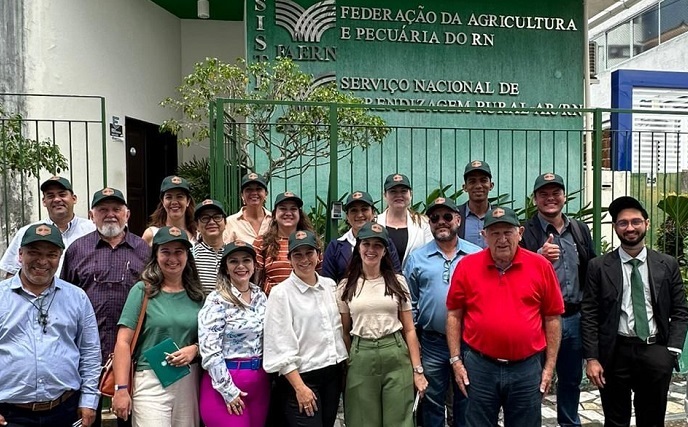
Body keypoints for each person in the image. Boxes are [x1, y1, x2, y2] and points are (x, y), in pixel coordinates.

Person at [446, 207, 564, 427]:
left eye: (507, 232)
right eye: (494, 233)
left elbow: (553, 318)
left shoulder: (541, 267)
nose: (501, 239)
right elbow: (454, 315)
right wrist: (456, 362)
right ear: (484, 236)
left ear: (520, 233)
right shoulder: (466, 267)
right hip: (480, 368)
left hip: (526, 369)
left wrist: (549, 367)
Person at [581, 196, 688, 427]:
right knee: (615, 419)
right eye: (623, 223)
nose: (630, 227)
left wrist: (672, 351)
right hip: (614, 352)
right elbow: (589, 313)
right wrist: (592, 358)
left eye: (636, 221)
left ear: (646, 224)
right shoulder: (598, 267)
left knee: (652, 419)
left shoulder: (667, 264)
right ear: (615, 227)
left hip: (655, 350)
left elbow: (680, 309)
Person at [60, 187, 150, 427]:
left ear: (127, 214)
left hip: (133, 350)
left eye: (116, 209)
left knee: (129, 417)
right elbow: (64, 298)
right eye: (103, 209)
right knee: (86, 417)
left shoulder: (143, 249)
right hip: (87, 350)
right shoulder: (77, 250)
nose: (110, 214)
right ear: (92, 215)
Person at [0, 223, 101, 427]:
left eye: (52, 254)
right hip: (10, 415)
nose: (42, 261)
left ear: (60, 257)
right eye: (34, 253)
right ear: (20, 254)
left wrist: (89, 400)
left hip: (65, 411)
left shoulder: (77, 298)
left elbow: (90, 352)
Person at [521, 172, 596, 427]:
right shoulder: (525, 232)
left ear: (564, 196)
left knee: (570, 379)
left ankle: (569, 422)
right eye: (544, 194)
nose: (550, 198)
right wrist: (538, 256)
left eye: (555, 193)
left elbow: (592, 269)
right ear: (535, 199)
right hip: (538, 319)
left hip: (574, 316)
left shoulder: (579, 229)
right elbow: (514, 272)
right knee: (534, 379)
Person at [111, 226, 205, 427]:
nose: (173, 258)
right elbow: (123, 341)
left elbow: (209, 340)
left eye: (179, 252)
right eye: (166, 252)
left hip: (188, 379)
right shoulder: (143, 290)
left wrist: (195, 350)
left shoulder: (197, 295)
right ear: (156, 255)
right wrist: (121, 389)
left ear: (188, 256)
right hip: (150, 379)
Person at [337, 222, 428, 426]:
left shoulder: (397, 282)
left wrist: (417, 370)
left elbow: (410, 330)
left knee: (399, 420)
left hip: (395, 352)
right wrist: (351, 361)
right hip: (361, 353)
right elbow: (344, 332)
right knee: (362, 420)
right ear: (358, 247)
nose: (371, 250)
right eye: (366, 244)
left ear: (385, 250)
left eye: (377, 245)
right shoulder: (346, 286)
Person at [404, 197, 481, 427]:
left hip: (469, 342)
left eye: (447, 216)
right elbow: (411, 301)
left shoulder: (476, 255)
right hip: (432, 342)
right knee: (431, 401)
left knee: (466, 398)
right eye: (435, 218)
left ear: (458, 219)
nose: (441, 222)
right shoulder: (417, 258)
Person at [263, 230, 348, 427]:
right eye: (297, 255)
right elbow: (278, 344)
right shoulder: (280, 294)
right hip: (302, 380)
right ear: (289, 259)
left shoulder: (330, 286)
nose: (304, 260)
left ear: (319, 255)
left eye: (309, 253)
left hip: (332, 376)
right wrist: (299, 387)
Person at [198, 241, 269, 427]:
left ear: (254, 265)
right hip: (226, 383)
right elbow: (210, 349)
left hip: (259, 383)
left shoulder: (261, 297)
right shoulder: (217, 299)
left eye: (246, 260)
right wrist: (228, 390)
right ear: (225, 268)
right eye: (233, 261)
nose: (241, 266)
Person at [0, 175, 95, 277]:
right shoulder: (27, 232)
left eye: (62, 194)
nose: (57, 199)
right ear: (44, 202)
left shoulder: (92, 230)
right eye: (50, 196)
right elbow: (12, 272)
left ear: (74, 199)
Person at [322, 190, 401, 283]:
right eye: (354, 210)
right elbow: (328, 283)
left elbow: (396, 276)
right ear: (347, 216)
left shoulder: (386, 243)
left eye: (364, 209)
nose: (359, 215)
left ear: (373, 213)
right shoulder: (335, 247)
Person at [253, 191, 317, 295]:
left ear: (299, 214)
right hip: (274, 303)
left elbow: (319, 273)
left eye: (293, 209)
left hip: (307, 301)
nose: (288, 213)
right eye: (283, 208)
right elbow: (256, 278)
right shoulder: (262, 242)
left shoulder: (311, 241)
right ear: (274, 215)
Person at [376, 173, 432, 267]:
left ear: (411, 194)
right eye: (393, 191)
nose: (399, 195)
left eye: (403, 191)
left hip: (415, 280)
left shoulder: (424, 223)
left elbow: (430, 254)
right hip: (382, 280)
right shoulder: (374, 222)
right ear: (385, 195)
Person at [142, 175, 197, 245]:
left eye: (179, 197)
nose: (174, 202)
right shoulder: (152, 234)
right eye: (169, 197)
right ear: (162, 201)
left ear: (188, 201)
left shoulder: (198, 236)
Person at [224, 172, 272, 245]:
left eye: (258, 189)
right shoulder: (230, 222)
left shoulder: (274, 220)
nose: (254, 193)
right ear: (242, 195)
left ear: (266, 194)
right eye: (249, 189)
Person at [192, 199, 227, 295]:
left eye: (217, 217)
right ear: (197, 225)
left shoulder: (233, 253)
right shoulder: (191, 255)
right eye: (205, 218)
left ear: (225, 222)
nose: (211, 222)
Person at [457, 160, 494, 248]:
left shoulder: (501, 217)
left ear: (491, 185)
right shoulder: (454, 216)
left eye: (483, 180)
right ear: (465, 187)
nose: (478, 186)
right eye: (472, 181)